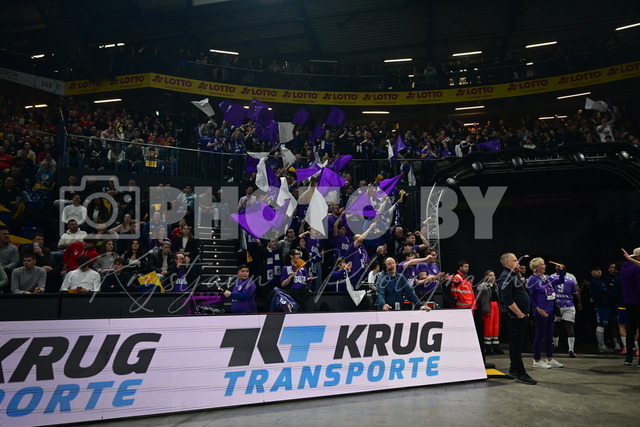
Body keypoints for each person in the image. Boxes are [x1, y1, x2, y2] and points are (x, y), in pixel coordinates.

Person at [498, 252, 537, 385]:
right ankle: (520, 373)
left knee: (516, 344)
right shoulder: (506, 276)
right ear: (507, 263)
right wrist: (519, 313)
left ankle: (513, 369)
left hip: (518, 315)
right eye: (515, 260)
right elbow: (506, 298)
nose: (518, 262)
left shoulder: (513, 275)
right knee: (516, 345)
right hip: (514, 316)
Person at [526, 258, 565, 369]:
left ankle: (549, 358)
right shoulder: (532, 279)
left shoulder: (546, 278)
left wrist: (561, 270)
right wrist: (537, 308)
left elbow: (560, 281)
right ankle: (536, 359)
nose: (545, 266)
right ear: (536, 268)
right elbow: (529, 296)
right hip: (541, 311)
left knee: (549, 335)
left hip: (550, 310)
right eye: (542, 264)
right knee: (539, 335)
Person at [550, 262, 581, 358]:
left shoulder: (551, 278)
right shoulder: (570, 279)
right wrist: (579, 302)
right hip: (568, 305)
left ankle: (555, 346)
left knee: (556, 326)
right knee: (569, 326)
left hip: (557, 304)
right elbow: (575, 292)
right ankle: (571, 349)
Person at [589, 266, 616, 352]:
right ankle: (601, 345)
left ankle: (602, 345)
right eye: (596, 270)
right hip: (600, 305)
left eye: (599, 270)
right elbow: (602, 291)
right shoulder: (593, 282)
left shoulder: (601, 281)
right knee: (601, 324)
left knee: (604, 324)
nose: (599, 271)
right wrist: (609, 294)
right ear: (592, 272)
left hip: (605, 305)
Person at [477, 270, 504, 355]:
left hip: (496, 306)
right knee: (488, 326)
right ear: (486, 276)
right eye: (490, 275)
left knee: (496, 326)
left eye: (493, 275)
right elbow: (478, 298)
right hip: (488, 307)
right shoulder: (482, 286)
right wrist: (484, 305)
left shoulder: (496, 286)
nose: (492, 277)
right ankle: (488, 347)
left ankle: (496, 346)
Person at [621, 247, 640, 366]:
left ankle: (629, 357)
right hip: (638, 300)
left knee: (631, 329)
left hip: (628, 301)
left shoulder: (625, 267)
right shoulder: (637, 268)